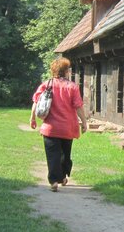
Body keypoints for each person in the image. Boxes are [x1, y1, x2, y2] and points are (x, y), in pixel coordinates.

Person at [30, 57, 87, 192]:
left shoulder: (46, 85)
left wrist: (32, 118)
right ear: (66, 71)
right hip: (68, 128)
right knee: (65, 155)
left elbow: (36, 102)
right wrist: (84, 122)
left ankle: (55, 181)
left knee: (53, 155)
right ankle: (62, 177)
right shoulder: (72, 87)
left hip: (50, 128)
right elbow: (78, 106)